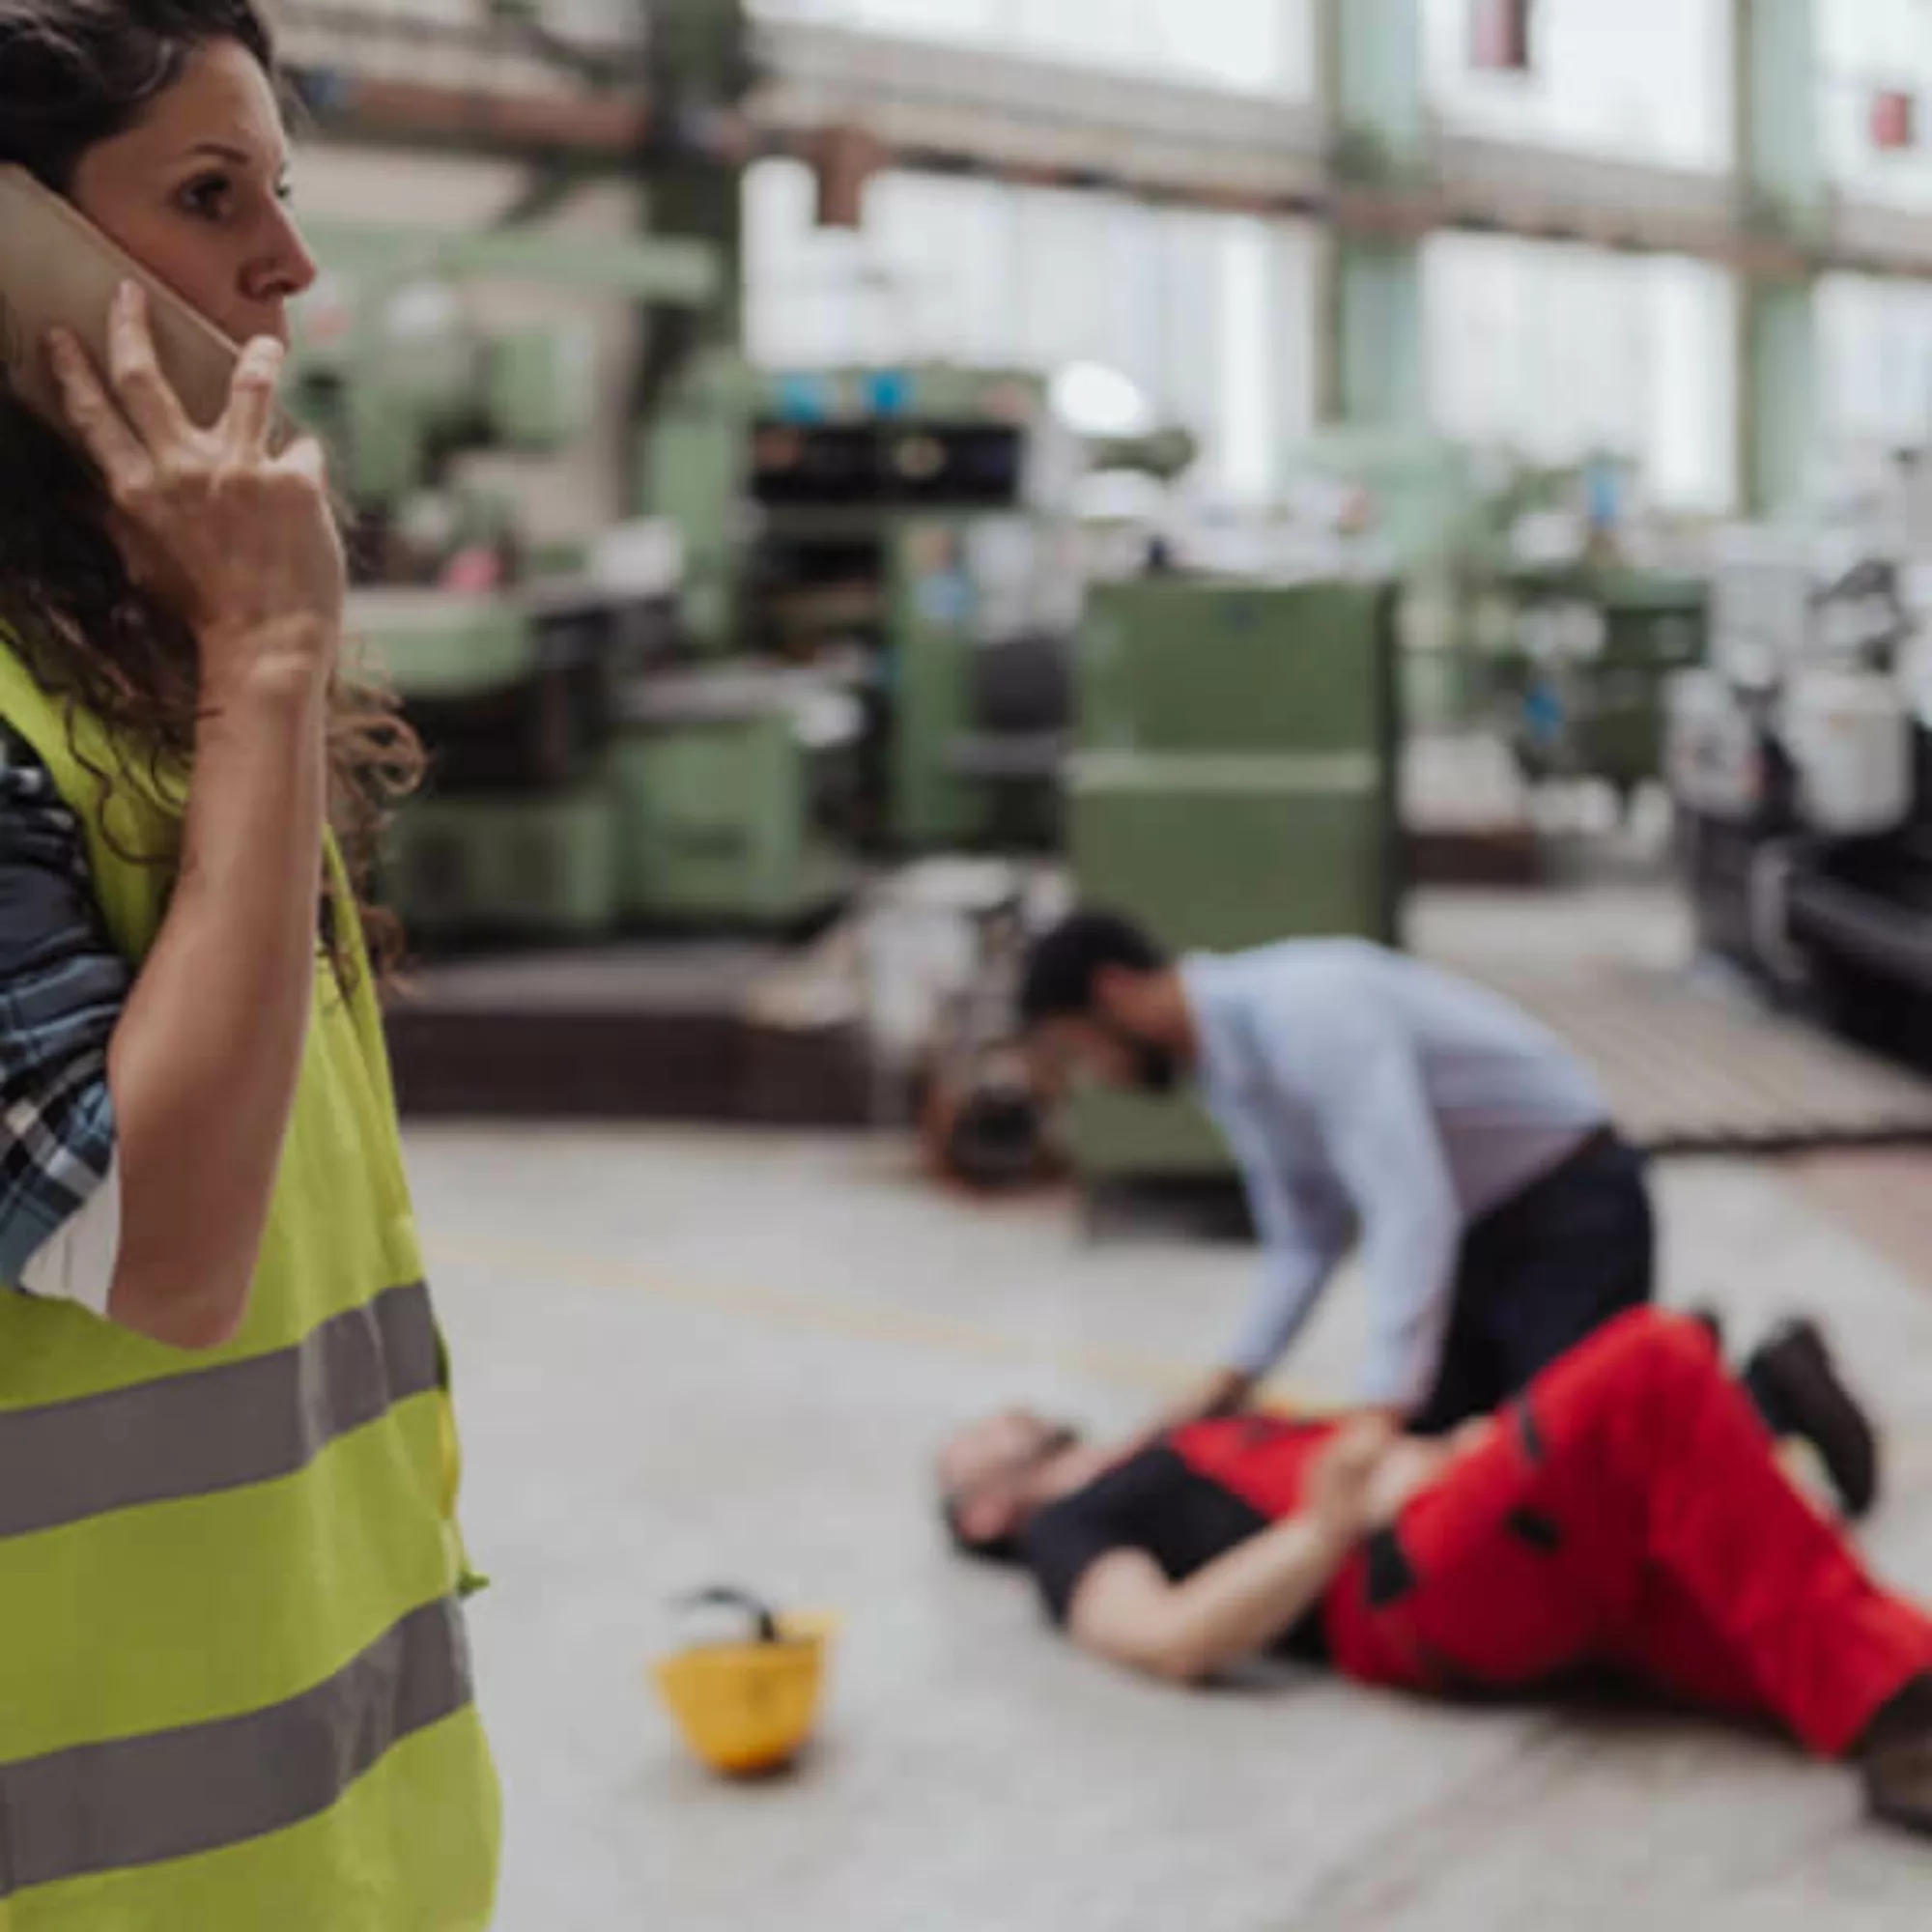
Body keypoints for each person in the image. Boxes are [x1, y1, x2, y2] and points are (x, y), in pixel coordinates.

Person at [0, 5, 497, 1923]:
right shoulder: (202, 669)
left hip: (336, 1818)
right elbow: (169, 1248)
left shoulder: (108, 666)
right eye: (212, 198)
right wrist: (269, 661)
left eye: (277, 187)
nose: (286, 261)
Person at [934, 1309, 1932, 1838]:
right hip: (1395, 1587)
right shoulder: (1067, 1526)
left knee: (1799, 1627)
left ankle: (1901, 1714)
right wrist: (1330, 1527)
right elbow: (1169, 1636)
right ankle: (1892, 1716)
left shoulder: (1159, 1441)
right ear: (982, 1510)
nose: (991, 1419)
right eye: (968, 1444)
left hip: (1473, 1532)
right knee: (1654, 1361)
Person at [1018, 910, 1878, 1519]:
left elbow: (1407, 1202)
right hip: (1485, 1233)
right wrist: (1230, 1379)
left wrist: (1380, 1400)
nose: (1091, 1071)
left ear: (1114, 990)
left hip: (1571, 1203)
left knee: (1560, 1473)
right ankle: (1674, 1366)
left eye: (1075, 1046)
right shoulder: (1226, 1072)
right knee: (1442, 1473)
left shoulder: (1307, 1009)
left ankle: (1763, 1394)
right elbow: (1305, 1240)